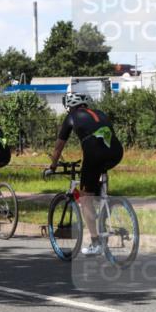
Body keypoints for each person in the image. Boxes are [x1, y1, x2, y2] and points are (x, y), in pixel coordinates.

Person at [45, 92, 124, 255]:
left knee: (85, 198)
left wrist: (52, 166)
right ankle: (105, 201)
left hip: (95, 153)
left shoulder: (71, 117)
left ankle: (96, 243)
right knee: (98, 176)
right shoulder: (100, 113)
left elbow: (59, 147)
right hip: (116, 152)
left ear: (70, 106)